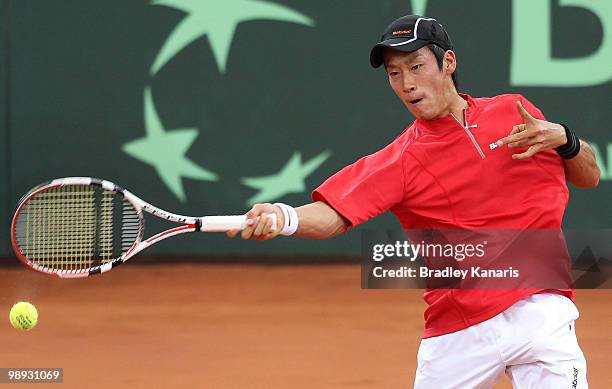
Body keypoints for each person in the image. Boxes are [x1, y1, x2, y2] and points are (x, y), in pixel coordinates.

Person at [228, 15, 600, 388]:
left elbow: (589, 175)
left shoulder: (514, 112)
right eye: (394, 74)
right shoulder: (403, 159)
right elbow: (334, 214)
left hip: (542, 314)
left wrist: (566, 139)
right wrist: (282, 216)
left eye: (417, 67)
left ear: (448, 63)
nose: (407, 84)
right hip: (461, 333)